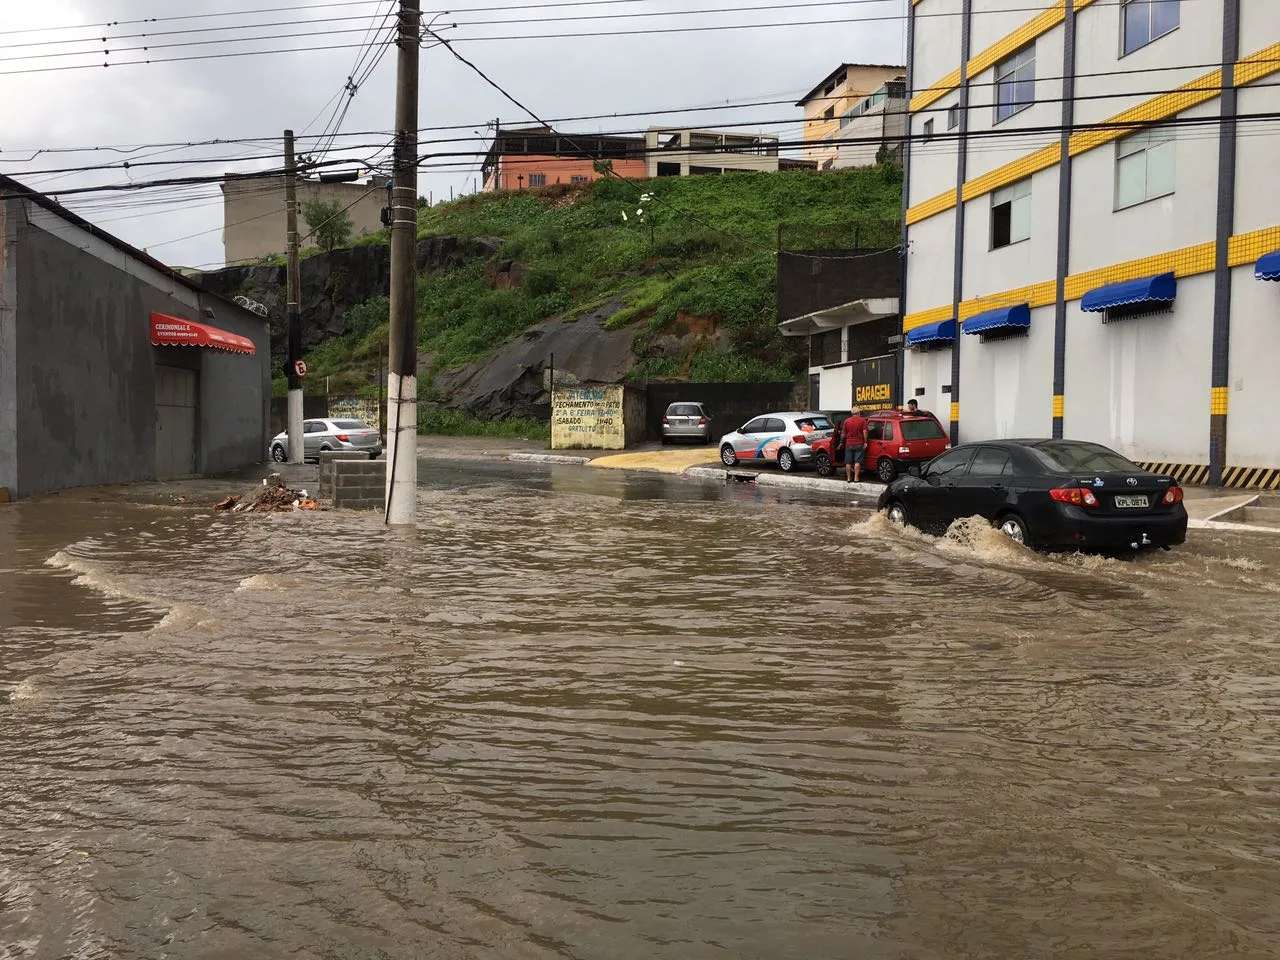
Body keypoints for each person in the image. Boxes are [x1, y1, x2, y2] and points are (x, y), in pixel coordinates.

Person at [841, 405, 869, 483]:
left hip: (849, 444)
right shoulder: (862, 420)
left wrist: (841, 442)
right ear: (859, 413)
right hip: (859, 443)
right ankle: (856, 478)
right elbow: (865, 432)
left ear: (852, 413)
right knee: (857, 461)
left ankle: (849, 478)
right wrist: (865, 442)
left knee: (848, 462)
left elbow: (843, 433)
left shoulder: (847, 421)